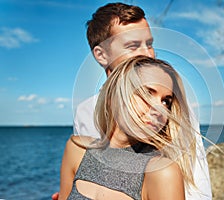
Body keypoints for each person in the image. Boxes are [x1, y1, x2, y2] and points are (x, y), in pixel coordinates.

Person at [53, 2, 212, 200]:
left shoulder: (173, 111)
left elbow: (198, 187)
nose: (148, 54)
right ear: (101, 55)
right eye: (133, 46)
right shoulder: (86, 111)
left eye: (150, 44)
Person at [59, 55, 198, 200]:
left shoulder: (161, 172)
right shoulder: (77, 149)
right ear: (114, 96)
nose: (160, 110)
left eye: (166, 102)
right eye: (147, 94)